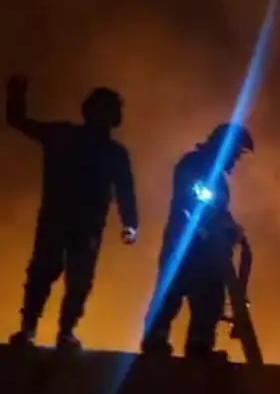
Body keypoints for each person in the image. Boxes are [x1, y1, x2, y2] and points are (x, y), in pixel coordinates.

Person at [5, 75, 139, 350]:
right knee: (49, 275)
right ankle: (39, 330)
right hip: (64, 221)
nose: (104, 116)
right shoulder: (77, 139)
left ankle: (51, 331)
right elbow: (18, 121)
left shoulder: (81, 142)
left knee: (71, 279)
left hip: (79, 224)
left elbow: (126, 191)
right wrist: (15, 95)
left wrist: (131, 223)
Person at [140, 122, 253, 358]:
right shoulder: (191, 164)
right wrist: (213, 227)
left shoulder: (220, 181)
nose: (235, 159)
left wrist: (232, 229)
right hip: (183, 247)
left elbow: (218, 211)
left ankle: (200, 346)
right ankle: (155, 342)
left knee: (209, 298)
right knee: (172, 293)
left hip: (206, 252)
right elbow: (193, 199)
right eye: (235, 152)